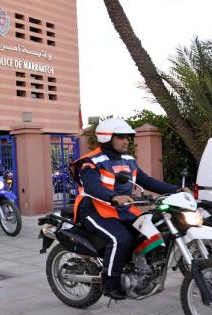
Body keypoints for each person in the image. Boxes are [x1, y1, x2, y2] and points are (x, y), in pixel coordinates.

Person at [70, 118, 186, 300]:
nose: (126, 141)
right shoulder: (90, 161)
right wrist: (112, 197)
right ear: (107, 138)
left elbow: (146, 181)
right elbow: (92, 186)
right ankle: (110, 283)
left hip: (122, 209)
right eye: (121, 137)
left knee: (151, 230)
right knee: (120, 239)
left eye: (127, 137)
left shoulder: (128, 160)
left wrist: (176, 190)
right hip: (94, 209)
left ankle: (137, 269)